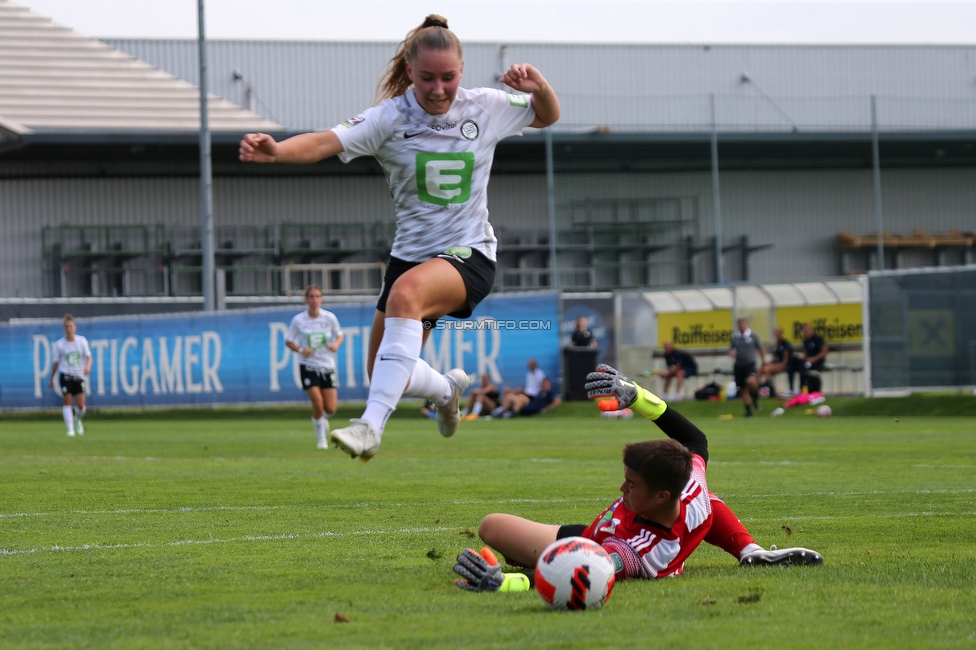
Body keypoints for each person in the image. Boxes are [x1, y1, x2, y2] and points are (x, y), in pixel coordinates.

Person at [239, 15, 560, 462]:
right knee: (384, 371)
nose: (438, 88)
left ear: (462, 71)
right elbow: (321, 143)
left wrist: (539, 85)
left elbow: (547, 115)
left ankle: (370, 426)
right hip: (410, 260)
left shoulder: (485, 106)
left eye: (448, 77)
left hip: (471, 254)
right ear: (410, 71)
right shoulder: (388, 118)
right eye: (427, 77)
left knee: (406, 297)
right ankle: (446, 390)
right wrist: (276, 150)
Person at [452, 364, 823, 593]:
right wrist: (636, 396)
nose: (621, 488)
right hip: (613, 530)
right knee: (708, 502)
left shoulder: (637, 551)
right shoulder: (688, 483)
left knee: (492, 527)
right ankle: (750, 551)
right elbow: (695, 440)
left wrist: (508, 585)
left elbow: (588, 570)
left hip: (594, 544)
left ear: (662, 496)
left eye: (631, 484)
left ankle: (750, 550)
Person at [285, 285, 344, 449]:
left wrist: (336, 345)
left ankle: (321, 420)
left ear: (322, 299)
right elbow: (289, 340)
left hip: (327, 365)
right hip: (308, 366)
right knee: (318, 404)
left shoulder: (329, 317)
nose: (314, 299)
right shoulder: (299, 320)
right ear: (306, 299)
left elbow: (339, 335)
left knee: (330, 409)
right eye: (311, 296)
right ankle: (321, 440)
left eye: (317, 296)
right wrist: (301, 350)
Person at [48, 314, 92, 437]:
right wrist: (51, 378)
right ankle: (70, 429)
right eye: (67, 326)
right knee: (67, 402)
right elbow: (56, 363)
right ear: (64, 328)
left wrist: (88, 366)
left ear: (75, 327)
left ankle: (77, 420)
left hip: (79, 375)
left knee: (81, 405)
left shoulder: (82, 341)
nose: (69, 329)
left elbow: (89, 356)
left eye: (71, 326)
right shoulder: (59, 344)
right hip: (66, 375)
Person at [729, 317, 765, 417]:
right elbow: (732, 349)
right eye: (739, 324)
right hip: (739, 365)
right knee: (743, 388)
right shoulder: (735, 338)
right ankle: (748, 411)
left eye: (743, 323)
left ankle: (755, 398)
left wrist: (763, 361)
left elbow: (760, 348)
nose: (741, 326)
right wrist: (731, 353)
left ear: (747, 324)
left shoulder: (753, 336)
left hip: (750, 364)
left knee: (751, 381)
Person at [759, 326, 800, 395]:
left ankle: (769, 389)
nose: (776, 334)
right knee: (760, 369)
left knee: (767, 370)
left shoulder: (785, 344)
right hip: (777, 364)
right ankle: (756, 387)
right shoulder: (776, 344)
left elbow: (785, 360)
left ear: (781, 333)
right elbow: (774, 357)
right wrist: (767, 363)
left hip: (784, 364)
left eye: (778, 332)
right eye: (775, 332)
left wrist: (779, 366)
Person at [799, 322, 829, 392]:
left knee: (807, 370)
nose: (806, 332)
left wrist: (814, 359)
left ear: (811, 330)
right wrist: (804, 358)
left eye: (807, 330)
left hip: (817, 361)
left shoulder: (817, 339)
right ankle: (803, 389)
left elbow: (825, 350)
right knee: (799, 366)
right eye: (804, 330)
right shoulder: (805, 341)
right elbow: (805, 352)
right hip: (808, 361)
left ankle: (814, 389)